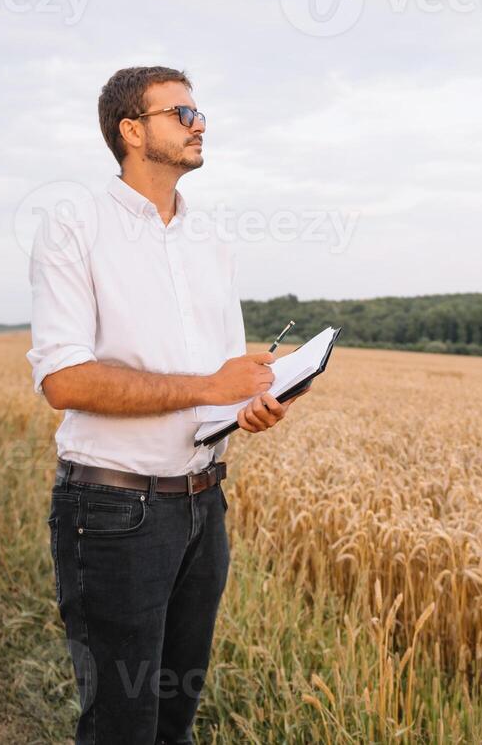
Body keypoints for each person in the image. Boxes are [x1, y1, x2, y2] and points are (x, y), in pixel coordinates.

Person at [26, 65, 302, 744]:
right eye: (181, 113)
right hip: (115, 512)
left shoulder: (211, 240)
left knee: (174, 720)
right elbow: (65, 381)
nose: (199, 123)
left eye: (199, 111)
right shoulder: (74, 225)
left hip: (205, 506)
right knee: (123, 725)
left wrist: (254, 404)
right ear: (130, 130)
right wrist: (211, 387)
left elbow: (224, 383)